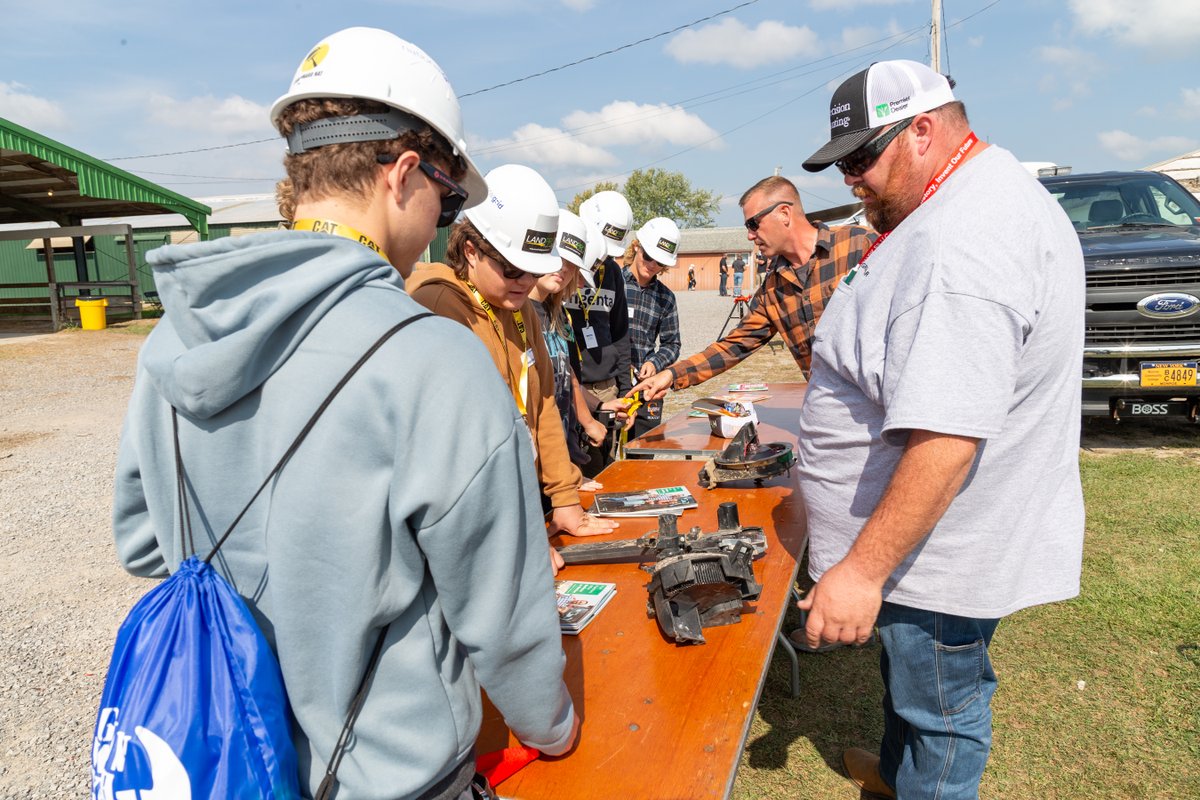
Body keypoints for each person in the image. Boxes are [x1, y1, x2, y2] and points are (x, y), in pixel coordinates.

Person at [111, 28, 578, 800]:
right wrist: (550, 726)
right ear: (402, 175)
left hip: (232, 758)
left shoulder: (176, 336)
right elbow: (501, 616)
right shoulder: (434, 357)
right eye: (450, 197)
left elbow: (142, 542)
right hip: (389, 775)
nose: (441, 220)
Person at [795, 60, 1084, 799]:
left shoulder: (965, 236)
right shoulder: (962, 204)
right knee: (914, 687)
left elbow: (949, 435)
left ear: (923, 129)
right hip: (921, 552)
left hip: (937, 556)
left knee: (943, 713)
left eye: (863, 158)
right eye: (844, 163)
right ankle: (897, 780)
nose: (851, 179)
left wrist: (860, 573)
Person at [407, 164, 616, 542]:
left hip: (519, 501)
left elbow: (544, 403)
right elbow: (453, 449)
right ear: (471, 251)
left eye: (533, 271)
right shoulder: (438, 307)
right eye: (512, 269)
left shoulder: (521, 311)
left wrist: (564, 497)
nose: (525, 282)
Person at [629, 175, 873, 398]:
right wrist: (671, 375)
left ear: (785, 214)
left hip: (884, 406)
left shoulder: (860, 245)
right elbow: (733, 346)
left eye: (753, 224)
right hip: (830, 410)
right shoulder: (773, 288)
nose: (749, 235)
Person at [532, 207, 608, 482]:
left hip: (565, 452)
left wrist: (589, 419)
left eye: (572, 264)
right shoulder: (519, 313)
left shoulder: (556, 312)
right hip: (543, 465)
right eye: (559, 258)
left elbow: (567, 375)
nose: (564, 269)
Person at [571, 190, 636, 476]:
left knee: (605, 469)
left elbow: (621, 334)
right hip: (573, 387)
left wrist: (625, 390)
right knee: (577, 470)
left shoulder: (612, 273)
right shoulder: (562, 270)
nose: (605, 256)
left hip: (607, 386)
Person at [622, 217, 682, 439]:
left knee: (643, 456)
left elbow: (672, 344)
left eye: (659, 262)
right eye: (648, 257)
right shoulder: (612, 285)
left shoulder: (666, 298)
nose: (652, 265)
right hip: (612, 387)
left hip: (647, 389)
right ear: (636, 247)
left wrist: (653, 362)